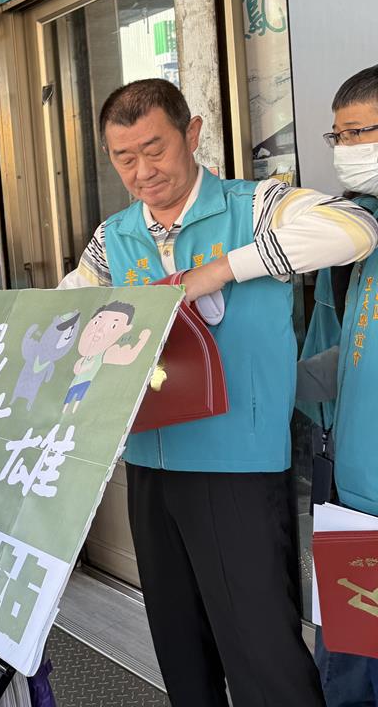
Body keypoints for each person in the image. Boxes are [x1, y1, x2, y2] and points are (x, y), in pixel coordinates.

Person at [59, 79, 378, 706]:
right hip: (149, 465)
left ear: (193, 134)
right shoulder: (113, 236)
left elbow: (352, 229)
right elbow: (73, 307)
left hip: (239, 467)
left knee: (262, 651)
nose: (143, 171)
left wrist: (220, 269)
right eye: (125, 158)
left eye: (156, 149)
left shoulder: (254, 205)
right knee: (181, 648)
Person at [297, 64, 378, 705]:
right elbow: (329, 364)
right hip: (351, 501)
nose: (347, 151)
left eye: (360, 134)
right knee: (349, 671)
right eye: (339, 136)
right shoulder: (344, 236)